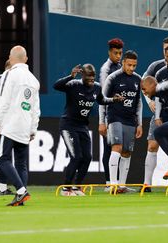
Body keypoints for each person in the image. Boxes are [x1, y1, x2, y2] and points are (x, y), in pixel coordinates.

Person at [54, 64, 124, 196]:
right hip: (68, 125)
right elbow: (56, 86)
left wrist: (113, 100)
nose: (92, 80)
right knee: (76, 157)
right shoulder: (74, 84)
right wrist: (70, 76)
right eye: (89, 78)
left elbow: (102, 100)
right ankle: (66, 188)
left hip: (82, 126)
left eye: (93, 77)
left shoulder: (97, 87)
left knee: (87, 157)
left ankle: (76, 187)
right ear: (83, 76)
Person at [0, 45, 40, 206]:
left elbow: (4, 100)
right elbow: (36, 108)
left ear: (11, 58)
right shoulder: (34, 80)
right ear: (26, 59)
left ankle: (21, 191)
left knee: (2, 159)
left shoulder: (10, 75)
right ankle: (21, 197)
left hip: (9, 125)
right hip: (25, 126)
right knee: (21, 163)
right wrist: (33, 129)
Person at [142, 37, 168, 189]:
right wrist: (150, 102)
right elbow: (145, 85)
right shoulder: (156, 68)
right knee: (152, 144)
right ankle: (147, 183)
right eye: (165, 50)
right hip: (161, 112)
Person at [101, 50, 143, 193]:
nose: (132, 68)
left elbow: (139, 103)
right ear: (123, 62)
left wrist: (140, 123)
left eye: (134, 66)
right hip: (115, 117)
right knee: (117, 147)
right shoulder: (113, 78)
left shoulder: (138, 79)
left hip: (130, 120)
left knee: (126, 152)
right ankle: (112, 185)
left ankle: (122, 186)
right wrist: (102, 121)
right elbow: (102, 100)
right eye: (129, 65)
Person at [99, 38, 124, 190]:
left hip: (122, 114)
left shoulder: (121, 66)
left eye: (120, 53)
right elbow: (102, 96)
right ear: (109, 52)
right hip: (110, 115)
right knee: (109, 149)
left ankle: (118, 182)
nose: (118, 56)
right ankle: (109, 183)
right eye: (116, 53)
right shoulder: (105, 70)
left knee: (118, 148)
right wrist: (102, 121)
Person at [0, 60, 13, 195]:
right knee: (0, 157)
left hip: (5, 124)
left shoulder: (11, 83)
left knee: (3, 157)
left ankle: (2, 188)